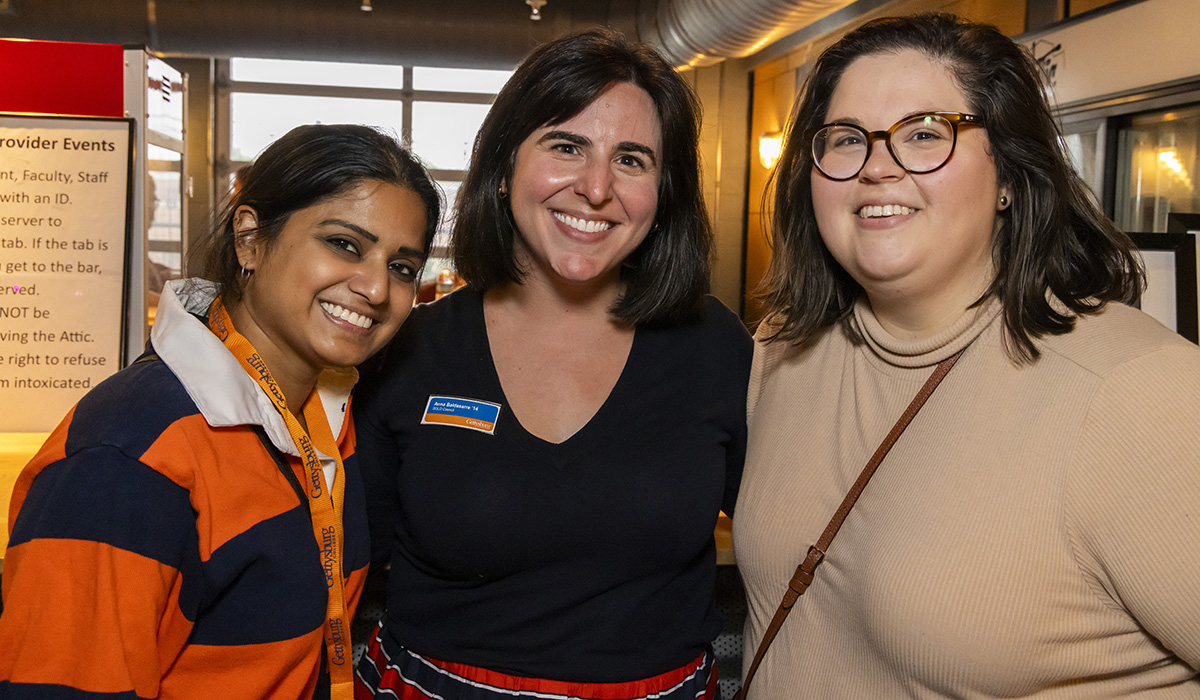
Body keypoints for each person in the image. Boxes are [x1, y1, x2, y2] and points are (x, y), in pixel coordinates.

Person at [733, 12, 1200, 699]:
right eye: (845, 140)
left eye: (926, 134)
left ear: (1010, 175)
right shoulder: (781, 349)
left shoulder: (1140, 394)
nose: (878, 168)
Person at [353, 28, 751, 700]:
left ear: (665, 191)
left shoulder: (716, 347)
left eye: (632, 160)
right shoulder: (409, 350)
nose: (596, 188)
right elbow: (340, 569)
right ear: (505, 165)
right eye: (567, 146)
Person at [0, 124, 440, 700]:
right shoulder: (128, 457)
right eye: (344, 245)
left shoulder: (327, 414)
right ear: (250, 239)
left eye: (402, 267)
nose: (377, 288)